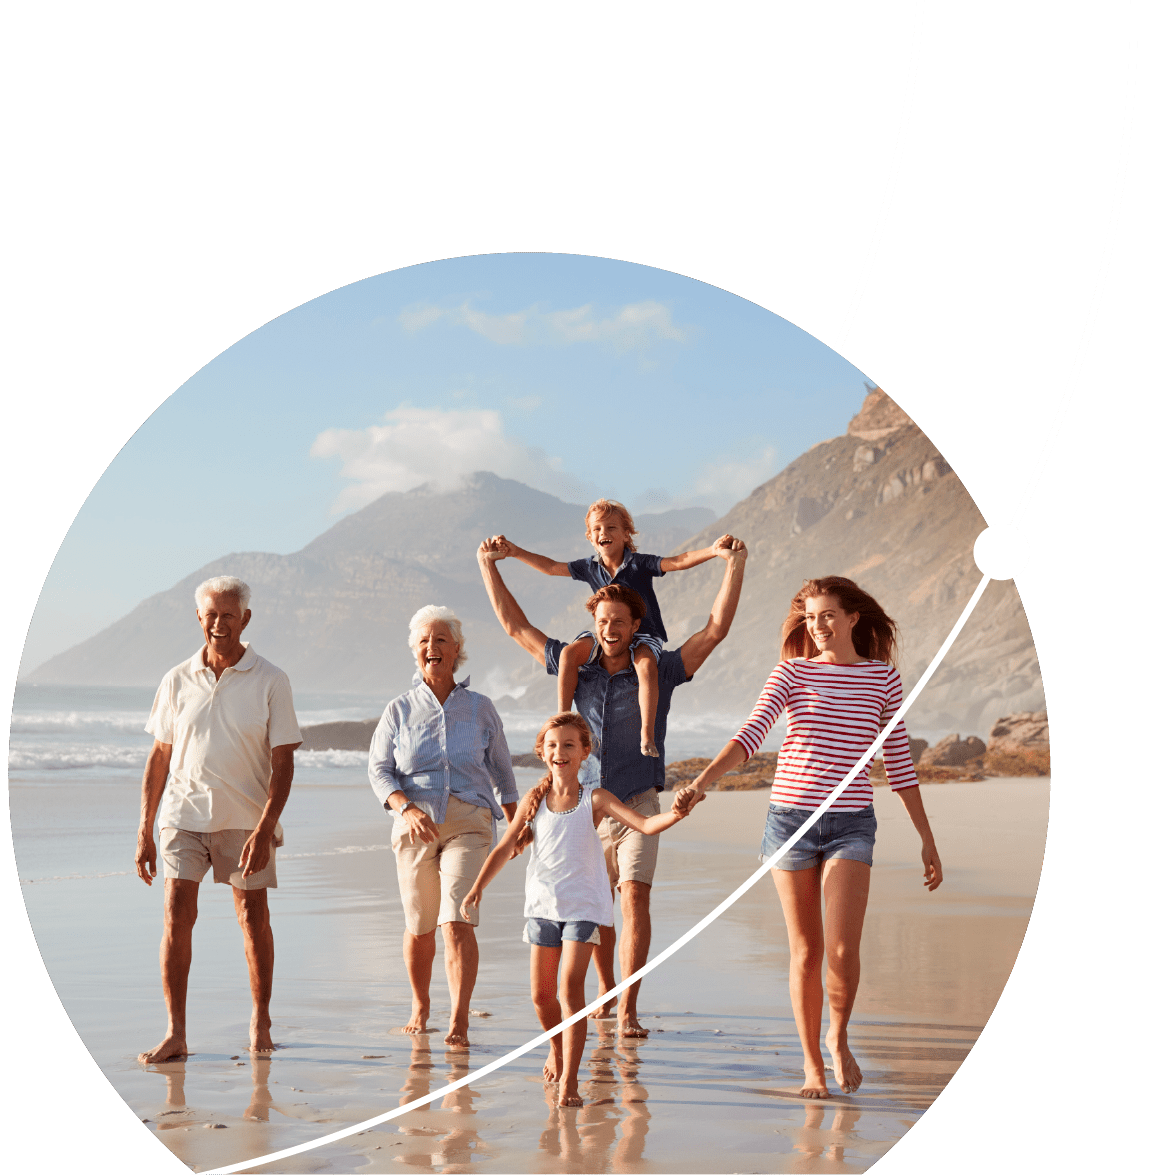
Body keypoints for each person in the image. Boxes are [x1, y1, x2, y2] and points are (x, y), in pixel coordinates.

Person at [673, 576, 943, 1099]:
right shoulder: (792, 672)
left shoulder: (883, 679)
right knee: (806, 951)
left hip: (851, 823)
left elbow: (901, 764)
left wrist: (926, 839)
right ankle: (812, 1063)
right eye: (810, 618)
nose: (817, 627)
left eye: (827, 616)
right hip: (789, 823)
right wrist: (702, 783)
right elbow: (751, 734)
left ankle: (838, 1036)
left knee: (842, 949)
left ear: (851, 619)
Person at [478, 534, 747, 1038]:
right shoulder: (578, 669)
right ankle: (607, 990)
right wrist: (488, 566)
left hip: (640, 801)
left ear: (635, 626)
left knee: (633, 899)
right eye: (603, 623)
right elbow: (517, 627)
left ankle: (627, 1007)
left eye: (619, 623)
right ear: (595, 626)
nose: (610, 631)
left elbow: (715, 630)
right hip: (588, 808)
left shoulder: (661, 669)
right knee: (596, 908)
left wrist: (733, 564)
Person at [460, 712, 690, 1107]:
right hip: (542, 907)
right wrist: (476, 888)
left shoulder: (595, 799)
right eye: (552, 745)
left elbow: (645, 825)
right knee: (540, 997)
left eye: (569, 745)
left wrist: (677, 812)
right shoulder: (535, 804)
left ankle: (569, 1080)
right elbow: (503, 849)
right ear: (541, 752)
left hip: (583, 908)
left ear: (585, 752)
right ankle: (557, 1048)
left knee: (570, 991)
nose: (560, 752)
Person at [135, 576, 302, 1064]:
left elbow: (284, 760)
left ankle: (261, 1018)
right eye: (211, 613)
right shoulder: (176, 678)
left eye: (229, 614)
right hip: (182, 816)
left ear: (245, 619)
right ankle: (176, 1032)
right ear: (198, 617)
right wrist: (145, 828)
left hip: (246, 819)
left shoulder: (271, 679)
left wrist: (266, 827)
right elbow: (160, 756)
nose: (219, 622)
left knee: (252, 920)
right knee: (175, 917)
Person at [368, 605, 519, 1047]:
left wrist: (517, 826)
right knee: (420, 923)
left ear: (457, 650)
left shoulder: (480, 708)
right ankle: (420, 1004)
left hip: (470, 821)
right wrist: (403, 807)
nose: (431, 648)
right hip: (416, 825)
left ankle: (458, 1017)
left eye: (439, 640)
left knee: (457, 918)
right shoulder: (398, 710)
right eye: (423, 642)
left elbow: (503, 772)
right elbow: (379, 770)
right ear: (415, 652)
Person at [490, 498, 734, 757]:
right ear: (589, 536)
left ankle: (646, 735)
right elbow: (551, 567)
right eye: (597, 529)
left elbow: (677, 561)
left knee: (646, 666)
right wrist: (515, 551)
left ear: (626, 533)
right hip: (605, 634)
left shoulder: (639, 564)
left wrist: (713, 550)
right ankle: (562, 720)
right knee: (568, 655)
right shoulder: (590, 567)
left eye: (611, 528)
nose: (603, 533)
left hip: (643, 634)